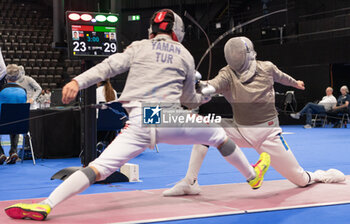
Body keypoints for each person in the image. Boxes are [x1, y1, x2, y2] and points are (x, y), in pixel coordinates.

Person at [5, 10, 271, 221]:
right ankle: (252, 176)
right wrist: (205, 95)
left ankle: (46, 204)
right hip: (169, 118)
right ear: (177, 32)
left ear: (152, 31)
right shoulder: (185, 55)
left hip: (140, 122)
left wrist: (77, 82)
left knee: (97, 168)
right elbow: (190, 101)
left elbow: (109, 65)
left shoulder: (138, 47)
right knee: (218, 135)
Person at [163, 36, 345, 197]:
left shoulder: (267, 67)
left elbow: (282, 77)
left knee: (301, 180)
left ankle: (321, 175)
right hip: (240, 130)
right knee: (205, 128)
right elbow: (212, 86)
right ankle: (190, 182)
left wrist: (296, 83)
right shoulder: (227, 73)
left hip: (268, 134)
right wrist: (196, 84)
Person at [0, 64, 27, 165]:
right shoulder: (23, 91)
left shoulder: (1, 90)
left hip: (2, 124)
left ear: (6, 76)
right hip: (19, 126)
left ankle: (0, 153)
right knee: (15, 120)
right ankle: (13, 152)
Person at [96, 79, 118, 148]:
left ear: (99, 81)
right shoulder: (114, 91)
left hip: (99, 123)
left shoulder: (96, 91)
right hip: (113, 124)